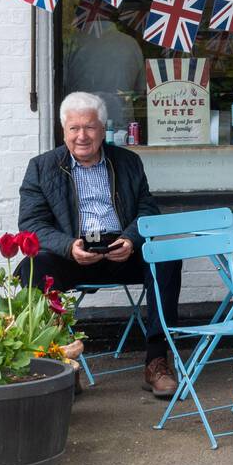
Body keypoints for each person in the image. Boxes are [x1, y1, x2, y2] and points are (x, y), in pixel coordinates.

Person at [18, 91, 183, 396]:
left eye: (90, 127)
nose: (82, 136)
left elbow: (148, 209)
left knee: (167, 258)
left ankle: (156, 361)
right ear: (63, 130)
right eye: (74, 128)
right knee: (31, 267)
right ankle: (61, 363)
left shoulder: (128, 162)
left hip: (121, 250)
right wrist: (69, 246)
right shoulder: (41, 167)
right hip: (72, 254)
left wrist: (131, 240)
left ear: (103, 129)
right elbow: (31, 224)